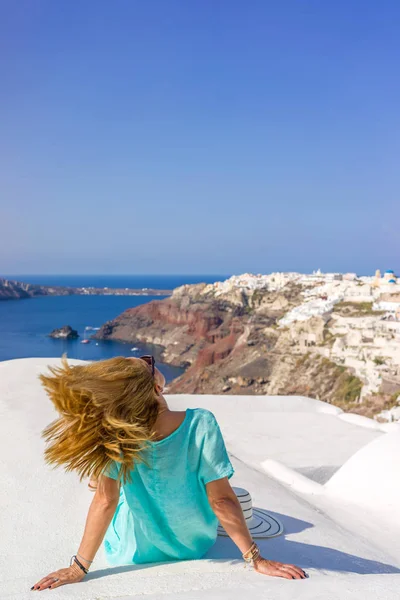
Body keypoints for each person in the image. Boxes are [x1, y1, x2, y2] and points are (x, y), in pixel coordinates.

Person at [31, 355, 306, 591]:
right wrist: (256, 559)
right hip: (192, 546)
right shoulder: (201, 423)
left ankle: (101, 476)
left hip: (131, 551)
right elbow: (221, 501)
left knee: (106, 486)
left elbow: (106, 502)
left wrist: (79, 568)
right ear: (156, 386)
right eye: (149, 363)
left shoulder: (117, 434)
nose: (152, 360)